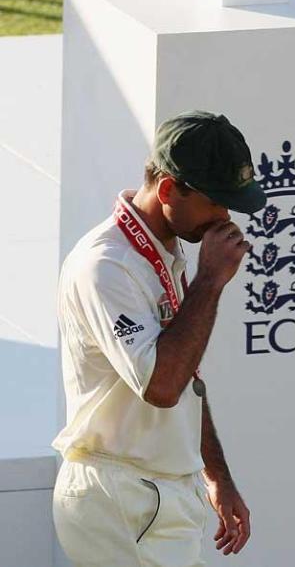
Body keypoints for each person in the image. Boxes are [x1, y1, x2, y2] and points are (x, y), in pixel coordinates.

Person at [51, 110, 266, 567]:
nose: (224, 218)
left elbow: (186, 376)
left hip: (158, 492)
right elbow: (162, 386)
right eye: (216, 202)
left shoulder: (164, 254)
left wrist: (217, 476)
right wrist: (209, 281)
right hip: (119, 496)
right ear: (168, 188)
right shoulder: (106, 266)